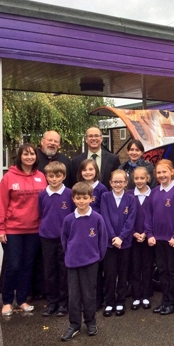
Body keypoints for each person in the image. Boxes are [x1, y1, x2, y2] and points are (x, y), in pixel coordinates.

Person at [0, 143, 47, 316]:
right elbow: (2, 204)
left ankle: (22, 300)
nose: (29, 157)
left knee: (27, 265)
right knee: (13, 265)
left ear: (36, 157)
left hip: (34, 229)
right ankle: (6, 301)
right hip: (13, 229)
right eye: (25, 154)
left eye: (32, 154)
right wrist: (1, 228)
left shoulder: (41, 176)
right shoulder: (9, 177)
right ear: (20, 156)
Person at [60, 182, 107, 342]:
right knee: (74, 296)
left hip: (90, 262)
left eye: (85, 198)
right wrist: (69, 255)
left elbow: (102, 239)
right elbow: (64, 239)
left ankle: (91, 322)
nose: (81, 201)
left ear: (91, 199)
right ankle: (74, 325)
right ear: (73, 199)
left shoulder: (97, 218)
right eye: (78, 198)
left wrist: (97, 257)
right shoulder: (68, 219)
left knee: (89, 294)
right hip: (72, 262)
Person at [145, 159, 174, 316]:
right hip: (158, 239)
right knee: (162, 271)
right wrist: (149, 234)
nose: (161, 175)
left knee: (173, 271)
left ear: (172, 172)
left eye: (164, 172)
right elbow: (149, 215)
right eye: (159, 172)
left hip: (172, 240)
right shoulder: (154, 192)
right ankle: (165, 300)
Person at [38, 162, 74, 317]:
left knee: (63, 271)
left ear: (64, 176)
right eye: (51, 176)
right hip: (47, 237)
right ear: (46, 176)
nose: (54, 179)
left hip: (64, 239)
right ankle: (52, 302)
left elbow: (73, 215)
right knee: (50, 271)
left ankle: (63, 303)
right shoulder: (42, 195)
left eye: (58, 175)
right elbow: (41, 213)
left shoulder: (69, 194)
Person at [101, 169, 136, 317]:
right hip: (109, 243)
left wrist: (121, 237)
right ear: (110, 183)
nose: (118, 184)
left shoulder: (131, 199)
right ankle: (109, 302)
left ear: (126, 183)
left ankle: (121, 300)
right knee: (110, 273)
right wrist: (113, 237)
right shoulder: (105, 197)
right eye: (115, 182)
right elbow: (105, 218)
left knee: (123, 273)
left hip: (125, 243)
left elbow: (131, 221)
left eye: (121, 182)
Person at [76, 158, 107, 310]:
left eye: (91, 169)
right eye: (85, 170)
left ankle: (97, 300)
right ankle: (84, 300)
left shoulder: (101, 189)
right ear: (80, 172)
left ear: (96, 172)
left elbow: (104, 210)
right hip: (81, 232)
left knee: (96, 269)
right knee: (83, 269)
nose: (88, 172)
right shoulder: (77, 188)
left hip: (95, 232)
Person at [127, 166, 155, 311]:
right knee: (135, 266)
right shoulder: (129, 195)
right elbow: (126, 217)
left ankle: (146, 295)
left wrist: (146, 233)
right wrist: (133, 233)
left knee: (148, 266)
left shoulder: (153, 194)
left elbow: (156, 216)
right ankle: (136, 295)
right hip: (134, 237)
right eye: (136, 178)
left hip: (148, 237)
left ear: (148, 178)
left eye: (142, 178)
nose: (139, 181)